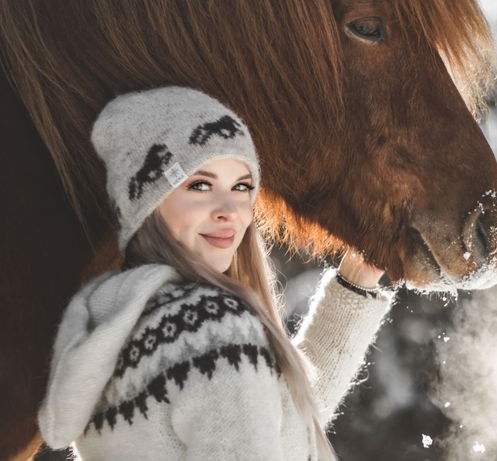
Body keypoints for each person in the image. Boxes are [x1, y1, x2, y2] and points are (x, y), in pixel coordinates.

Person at [37, 86, 397, 460]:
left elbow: (283, 424)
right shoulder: (209, 325)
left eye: (241, 186)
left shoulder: (123, 322)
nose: (230, 209)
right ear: (149, 203)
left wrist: (355, 286)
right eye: (200, 185)